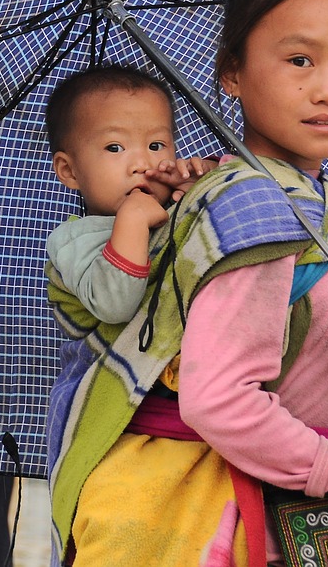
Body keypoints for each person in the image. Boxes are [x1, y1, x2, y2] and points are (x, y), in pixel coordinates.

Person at [48, 0, 328, 567]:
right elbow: (218, 401)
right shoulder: (251, 210)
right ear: (231, 73)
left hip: (284, 512)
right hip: (210, 521)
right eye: (299, 60)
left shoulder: (327, 214)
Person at [43, 66, 214, 500]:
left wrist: (201, 191)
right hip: (118, 420)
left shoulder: (169, 214)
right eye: (115, 147)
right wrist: (133, 221)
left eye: (157, 144)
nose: (141, 162)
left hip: (189, 410)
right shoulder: (75, 240)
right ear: (70, 170)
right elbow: (116, 302)